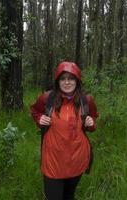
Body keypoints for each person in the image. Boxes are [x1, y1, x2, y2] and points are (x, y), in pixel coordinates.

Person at [30, 61, 99, 200]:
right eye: (63, 78)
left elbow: (92, 120)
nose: (67, 82)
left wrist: (91, 124)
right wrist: (39, 119)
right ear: (58, 81)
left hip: (77, 159)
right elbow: (35, 111)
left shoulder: (87, 100)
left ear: (77, 80)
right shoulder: (47, 98)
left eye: (71, 78)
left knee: (69, 196)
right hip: (53, 160)